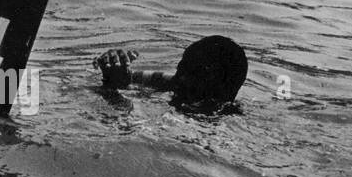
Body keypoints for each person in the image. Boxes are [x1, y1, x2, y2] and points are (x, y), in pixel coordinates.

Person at [94, 37, 248, 113]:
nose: (179, 78)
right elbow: (131, 78)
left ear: (215, 85)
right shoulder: (176, 84)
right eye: (180, 69)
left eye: (191, 74)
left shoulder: (214, 116)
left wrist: (112, 95)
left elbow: (124, 123)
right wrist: (115, 76)